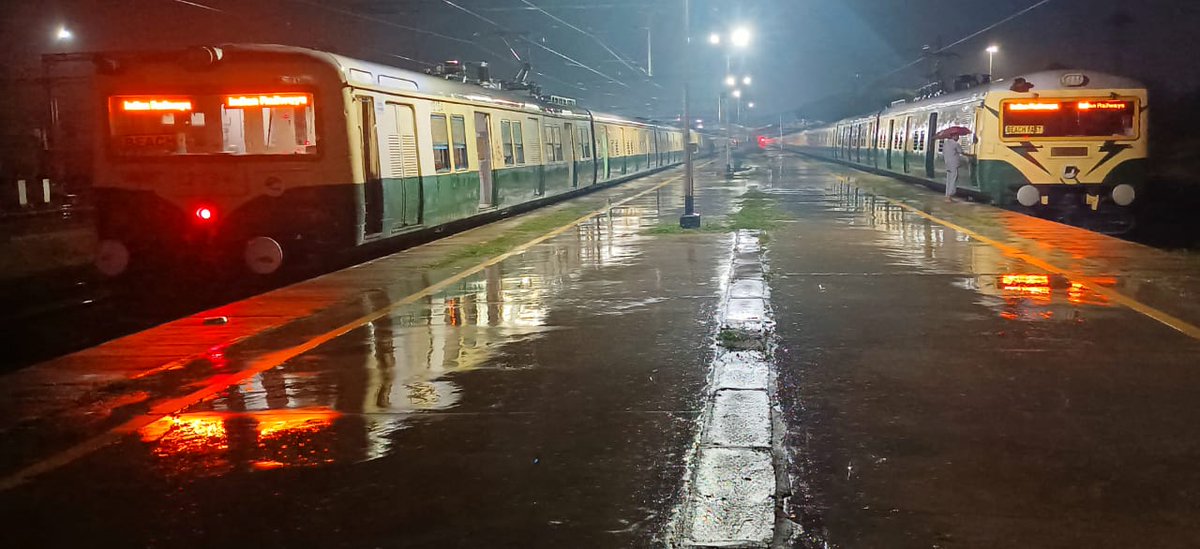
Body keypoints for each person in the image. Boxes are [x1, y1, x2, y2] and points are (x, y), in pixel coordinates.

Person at [943, 134, 966, 201]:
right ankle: (949, 196)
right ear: (953, 136)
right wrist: (971, 155)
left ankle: (947, 195)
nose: (958, 137)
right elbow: (961, 152)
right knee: (953, 179)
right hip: (954, 164)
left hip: (947, 163)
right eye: (957, 136)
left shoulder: (946, 143)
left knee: (949, 180)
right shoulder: (955, 144)